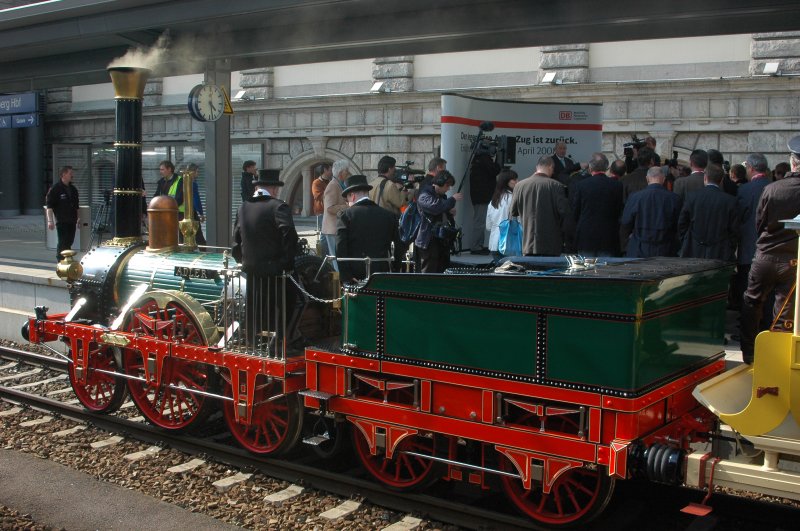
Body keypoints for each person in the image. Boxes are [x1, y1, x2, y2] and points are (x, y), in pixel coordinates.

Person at [739, 138, 800, 364]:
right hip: (793, 257)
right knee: (785, 309)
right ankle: (780, 358)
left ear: (792, 162)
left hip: (766, 254)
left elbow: (760, 223)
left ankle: (749, 352)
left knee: (752, 302)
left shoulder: (772, 189)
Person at [232, 170, 301, 352]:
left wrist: (245, 261)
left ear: (257, 187)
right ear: (274, 189)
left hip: (252, 270)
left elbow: (236, 241)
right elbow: (289, 234)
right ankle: (282, 341)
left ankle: (254, 341)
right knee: (296, 300)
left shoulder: (243, 207)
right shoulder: (278, 207)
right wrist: (286, 263)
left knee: (256, 307)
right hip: (275, 271)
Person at [335, 174, 400, 283]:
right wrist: (395, 268)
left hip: (355, 274)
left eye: (347, 199)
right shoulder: (388, 215)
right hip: (382, 271)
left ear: (352, 196)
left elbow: (340, 247)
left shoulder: (345, 216)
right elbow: (399, 244)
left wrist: (346, 275)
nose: (348, 203)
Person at [510, 155, 574, 256]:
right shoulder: (556, 185)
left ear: (537, 167)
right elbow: (564, 212)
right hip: (551, 243)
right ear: (550, 167)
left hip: (528, 243)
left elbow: (513, 211)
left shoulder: (519, 186)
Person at [677, 164, 739, 261]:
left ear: (705, 178)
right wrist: (730, 246)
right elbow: (734, 229)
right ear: (721, 180)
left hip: (694, 249)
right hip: (721, 251)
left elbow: (682, 223)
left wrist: (686, 241)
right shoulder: (730, 201)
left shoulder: (692, 197)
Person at [734, 153, 772, 310]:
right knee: (769, 294)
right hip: (770, 249)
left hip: (748, 248)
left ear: (750, 168)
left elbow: (738, 217)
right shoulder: (773, 186)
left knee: (748, 290)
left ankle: (748, 323)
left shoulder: (744, 190)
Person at [620, 166, 682, 257]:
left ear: (647, 179)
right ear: (663, 179)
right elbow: (679, 225)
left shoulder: (635, 197)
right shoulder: (674, 199)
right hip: (666, 249)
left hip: (639, 248)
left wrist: (626, 245)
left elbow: (626, 223)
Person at [571, 153, 624, 257]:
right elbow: (618, 210)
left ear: (590, 168)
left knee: (586, 266)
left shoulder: (581, 185)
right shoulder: (617, 185)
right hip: (608, 234)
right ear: (607, 168)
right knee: (607, 266)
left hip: (586, 235)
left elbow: (576, 211)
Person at [415, 170, 463, 273]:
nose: (448, 189)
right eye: (447, 186)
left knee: (442, 269)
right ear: (439, 183)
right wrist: (452, 200)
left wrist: (448, 212)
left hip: (441, 241)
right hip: (429, 240)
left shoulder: (441, 196)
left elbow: (441, 208)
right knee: (429, 271)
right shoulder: (424, 195)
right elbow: (436, 207)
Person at [45, 165, 80, 262]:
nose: (72, 175)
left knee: (69, 241)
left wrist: (78, 218)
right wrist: (50, 221)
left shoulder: (73, 189)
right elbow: (49, 207)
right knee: (63, 242)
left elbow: (76, 206)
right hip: (62, 220)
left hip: (72, 220)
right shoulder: (55, 189)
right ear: (63, 174)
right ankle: (60, 260)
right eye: (70, 173)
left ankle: (67, 259)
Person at [468, 153, 500, 254]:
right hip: (482, 197)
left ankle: (479, 245)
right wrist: (497, 160)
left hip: (480, 196)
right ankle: (476, 246)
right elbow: (495, 170)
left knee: (480, 222)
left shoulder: (478, 161)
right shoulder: (484, 159)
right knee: (480, 222)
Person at [321, 159, 350, 270]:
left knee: (338, 257)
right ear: (341, 172)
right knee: (335, 258)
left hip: (336, 228)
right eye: (346, 170)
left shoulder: (338, 184)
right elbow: (330, 208)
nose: (348, 173)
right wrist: (347, 206)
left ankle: (340, 276)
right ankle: (338, 278)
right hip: (332, 229)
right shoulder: (333, 185)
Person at [485, 169, 518, 260]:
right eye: (514, 179)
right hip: (510, 243)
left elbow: (488, 226)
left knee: (499, 268)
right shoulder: (514, 199)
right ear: (506, 182)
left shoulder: (493, 201)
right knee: (511, 268)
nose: (517, 181)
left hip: (494, 243)